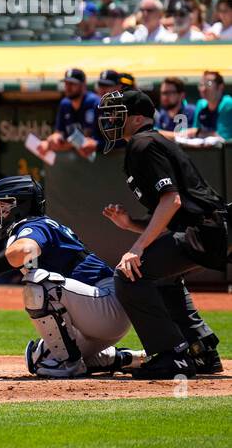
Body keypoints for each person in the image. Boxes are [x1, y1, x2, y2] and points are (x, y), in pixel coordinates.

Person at [0, 176, 142, 377]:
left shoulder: (34, 225)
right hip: (100, 312)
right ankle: (125, 359)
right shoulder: (40, 224)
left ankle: (69, 364)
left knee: (38, 283)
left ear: (19, 205)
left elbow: (25, 250)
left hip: (106, 305)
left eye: (1, 205)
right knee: (39, 359)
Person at [97, 89, 226, 377]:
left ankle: (171, 355)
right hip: (208, 228)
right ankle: (200, 350)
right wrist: (131, 224)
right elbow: (170, 216)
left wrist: (137, 248)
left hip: (205, 229)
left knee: (130, 275)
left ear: (138, 118)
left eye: (118, 113)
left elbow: (172, 200)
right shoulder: (144, 144)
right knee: (160, 277)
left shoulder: (144, 143)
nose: (109, 119)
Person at [192, 70, 232, 139]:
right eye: (201, 84)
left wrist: (198, 133)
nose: (203, 89)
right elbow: (195, 132)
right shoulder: (200, 104)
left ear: (220, 87)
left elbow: (223, 138)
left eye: (209, 84)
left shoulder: (228, 103)